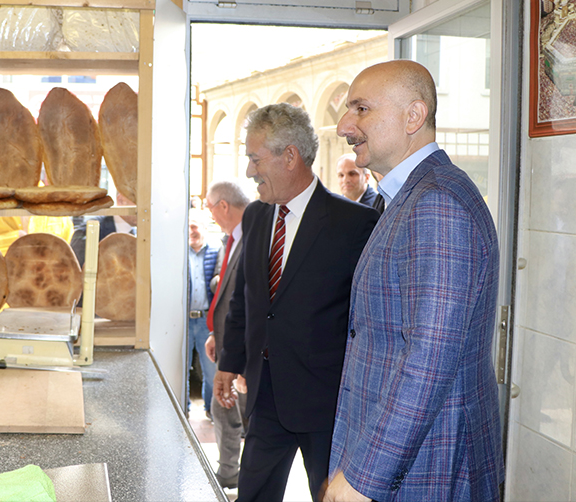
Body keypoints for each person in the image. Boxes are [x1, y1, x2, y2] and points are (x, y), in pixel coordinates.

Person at [323, 60, 502, 502]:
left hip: (429, 464)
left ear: (413, 116)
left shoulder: (436, 203)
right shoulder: (412, 195)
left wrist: (363, 479)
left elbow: (429, 358)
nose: (345, 125)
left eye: (361, 109)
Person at [213, 102, 378, 502]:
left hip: (328, 404)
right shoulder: (254, 216)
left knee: (331, 497)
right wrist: (229, 363)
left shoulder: (354, 224)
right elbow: (245, 299)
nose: (250, 170)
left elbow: (370, 320)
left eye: (255, 158)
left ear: (289, 156)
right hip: (264, 396)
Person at [203, 179, 250, 490]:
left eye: (211, 209)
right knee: (223, 409)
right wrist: (215, 333)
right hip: (228, 347)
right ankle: (228, 472)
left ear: (224, 205)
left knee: (249, 421)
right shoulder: (229, 239)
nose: (211, 217)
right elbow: (227, 294)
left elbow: (250, 301)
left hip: (246, 356)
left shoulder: (254, 237)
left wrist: (242, 363)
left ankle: (250, 482)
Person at [188, 210, 220, 417]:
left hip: (207, 320)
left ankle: (211, 411)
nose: (191, 231)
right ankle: (183, 410)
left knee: (210, 370)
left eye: (195, 226)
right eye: (188, 227)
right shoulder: (180, 252)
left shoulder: (216, 251)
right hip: (183, 321)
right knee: (180, 369)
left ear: (204, 228)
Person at [70, 192, 137, 267]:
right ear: (121, 200)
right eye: (138, 201)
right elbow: (75, 273)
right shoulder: (89, 232)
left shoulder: (141, 236)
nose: (145, 207)